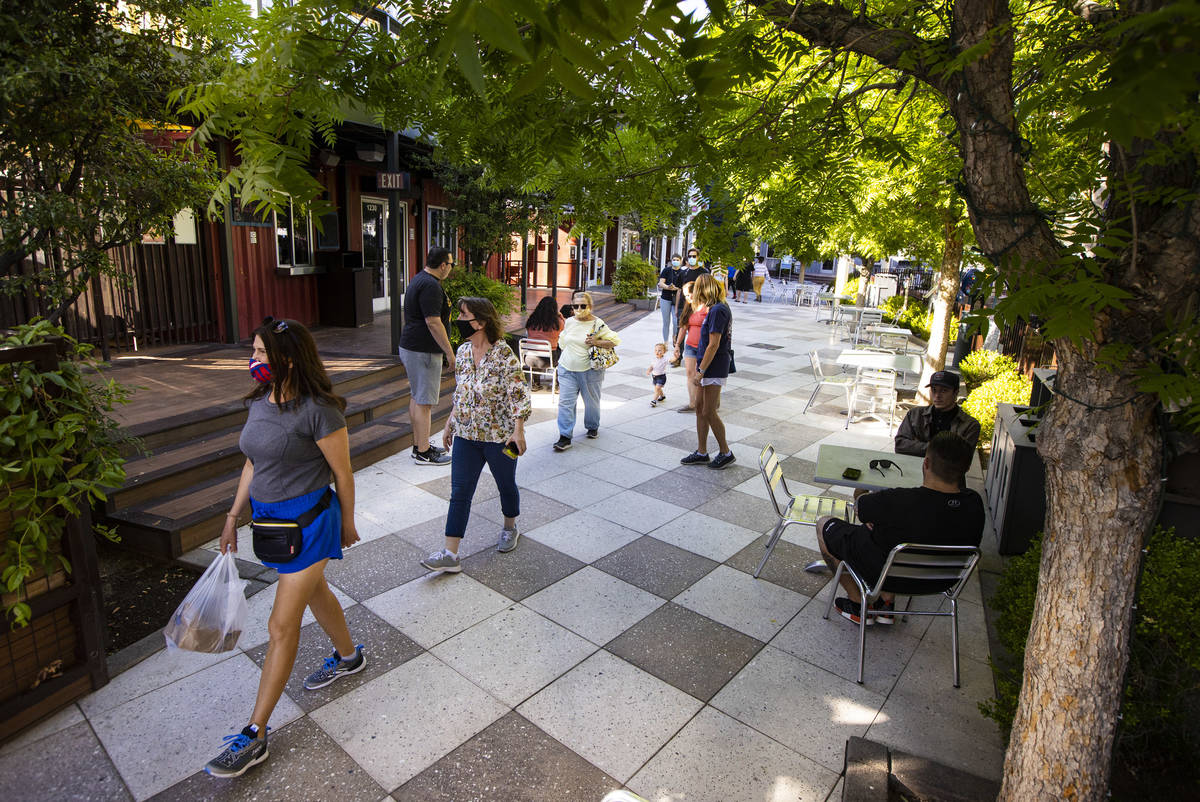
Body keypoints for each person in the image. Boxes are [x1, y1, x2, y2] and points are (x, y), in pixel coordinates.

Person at [206, 318, 362, 778]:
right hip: (274, 526)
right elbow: (253, 462)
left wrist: (347, 523)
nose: (252, 361)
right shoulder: (260, 401)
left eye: (259, 352)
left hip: (312, 524)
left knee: (280, 625)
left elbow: (344, 473)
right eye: (253, 352)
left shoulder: (320, 409)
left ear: (288, 357)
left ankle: (254, 735)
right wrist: (234, 516)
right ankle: (351, 656)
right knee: (316, 593)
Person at [815, 431, 985, 624]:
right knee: (896, 535)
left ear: (926, 463)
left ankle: (857, 604)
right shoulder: (975, 503)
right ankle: (887, 603)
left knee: (824, 524)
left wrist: (861, 494)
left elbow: (860, 508)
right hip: (943, 581)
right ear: (966, 468)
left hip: (884, 574)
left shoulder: (898, 500)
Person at [420, 297, 532, 572]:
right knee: (459, 491)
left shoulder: (504, 354)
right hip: (467, 435)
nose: (457, 320)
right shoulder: (464, 351)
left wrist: (519, 431)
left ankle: (509, 527)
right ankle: (450, 553)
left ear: (480, 322)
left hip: (499, 437)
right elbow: (462, 393)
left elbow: (519, 395)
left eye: (463, 315)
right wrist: (449, 423)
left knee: (506, 484)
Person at [397, 247, 456, 465]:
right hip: (423, 351)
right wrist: (450, 353)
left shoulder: (419, 279)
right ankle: (423, 453)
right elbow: (433, 322)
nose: (450, 268)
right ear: (443, 265)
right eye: (451, 264)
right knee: (424, 402)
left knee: (417, 397)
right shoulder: (431, 286)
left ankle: (419, 445)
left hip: (412, 347)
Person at [680, 274, 736, 469]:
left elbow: (714, 344)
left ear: (703, 290)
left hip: (713, 367)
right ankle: (702, 452)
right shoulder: (714, 309)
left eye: (696, 291)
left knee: (709, 411)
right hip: (707, 365)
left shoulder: (718, 310)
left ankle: (725, 452)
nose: (694, 295)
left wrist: (701, 370)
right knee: (700, 409)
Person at [553, 290, 620, 451]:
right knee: (565, 403)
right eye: (575, 306)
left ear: (590, 306)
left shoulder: (597, 323)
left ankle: (592, 426)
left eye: (583, 306)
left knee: (591, 403)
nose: (579, 309)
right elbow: (563, 339)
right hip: (566, 368)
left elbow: (615, 340)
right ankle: (565, 436)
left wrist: (597, 341)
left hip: (590, 370)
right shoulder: (569, 321)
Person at [894, 370, 981, 456]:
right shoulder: (915, 414)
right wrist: (939, 448)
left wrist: (917, 446)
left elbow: (962, 458)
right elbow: (900, 445)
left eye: (944, 391)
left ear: (956, 393)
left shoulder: (970, 425)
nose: (937, 395)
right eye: (934, 390)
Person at [672, 280, 704, 413]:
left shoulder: (706, 308)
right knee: (690, 374)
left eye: (689, 294)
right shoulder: (689, 308)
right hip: (690, 346)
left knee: (701, 375)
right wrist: (677, 345)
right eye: (685, 295)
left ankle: (706, 402)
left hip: (704, 347)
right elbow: (683, 328)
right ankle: (692, 403)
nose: (687, 298)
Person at [522, 295, 565, 391]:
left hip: (528, 359)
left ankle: (536, 383)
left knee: (538, 349)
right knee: (562, 352)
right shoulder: (557, 322)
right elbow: (565, 329)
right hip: (548, 360)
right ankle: (557, 383)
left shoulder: (531, 320)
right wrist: (560, 316)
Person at [658, 254, 682, 351]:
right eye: (674, 259)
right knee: (666, 321)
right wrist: (668, 287)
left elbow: (684, 286)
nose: (675, 261)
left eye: (677, 260)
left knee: (676, 321)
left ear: (681, 261)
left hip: (677, 299)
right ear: (671, 260)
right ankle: (665, 342)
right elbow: (661, 283)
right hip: (666, 298)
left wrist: (676, 288)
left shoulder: (683, 272)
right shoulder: (667, 270)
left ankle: (674, 336)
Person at [646, 342, 669, 407]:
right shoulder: (654, 359)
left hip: (661, 377)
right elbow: (652, 366)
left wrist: (675, 358)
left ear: (664, 352)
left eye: (659, 350)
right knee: (658, 388)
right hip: (654, 377)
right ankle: (662, 396)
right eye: (656, 350)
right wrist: (649, 370)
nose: (657, 352)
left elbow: (671, 360)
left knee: (657, 388)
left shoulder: (665, 359)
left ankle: (654, 401)